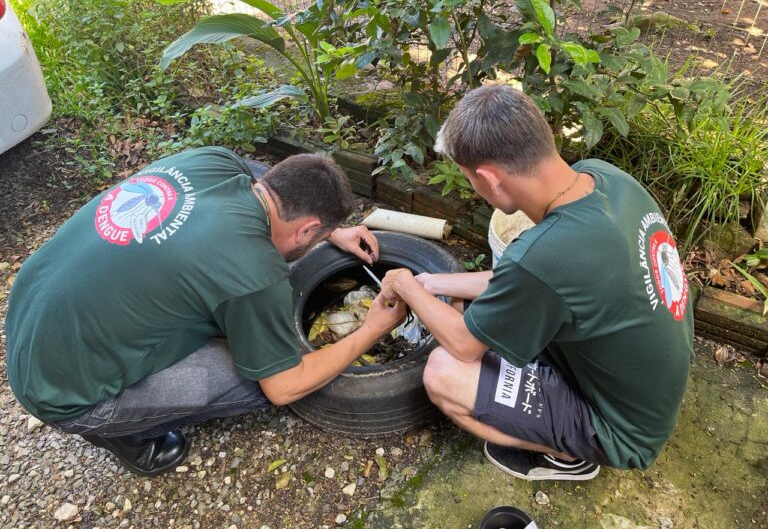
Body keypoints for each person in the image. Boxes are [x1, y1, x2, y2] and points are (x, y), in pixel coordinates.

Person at [5, 146, 406, 476]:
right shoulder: (254, 270)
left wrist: (332, 230)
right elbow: (284, 387)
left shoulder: (211, 161)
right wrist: (371, 328)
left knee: (228, 312)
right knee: (265, 375)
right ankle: (128, 436)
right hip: (65, 394)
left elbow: (267, 182)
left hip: (30, 313)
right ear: (305, 228)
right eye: (315, 236)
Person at [380, 84, 694, 481]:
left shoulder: (543, 256)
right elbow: (536, 281)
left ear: (489, 179)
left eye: (469, 179)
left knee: (442, 374)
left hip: (624, 430)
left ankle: (568, 455)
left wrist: (405, 283)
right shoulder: (603, 177)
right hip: (650, 386)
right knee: (490, 318)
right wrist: (436, 283)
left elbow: (463, 345)